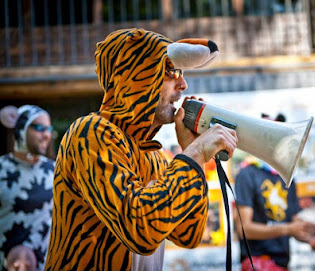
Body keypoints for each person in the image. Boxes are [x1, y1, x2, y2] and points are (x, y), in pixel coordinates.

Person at [45, 28, 238, 271]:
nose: (183, 84)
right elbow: (140, 230)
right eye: (171, 72)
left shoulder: (153, 156)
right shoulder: (90, 133)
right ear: (137, 77)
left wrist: (192, 154)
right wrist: (194, 154)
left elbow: (188, 234)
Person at [234, 113, 315, 271]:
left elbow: (294, 224)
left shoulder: (288, 178)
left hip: (282, 264)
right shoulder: (247, 174)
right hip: (257, 262)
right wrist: (288, 229)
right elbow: (245, 230)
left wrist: (310, 239)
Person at [0, 105, 55, 271]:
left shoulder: (57, 170)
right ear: (21, 130)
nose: (47, 135)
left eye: (49, 128)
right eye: (39, 128)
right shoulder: (2, 168)